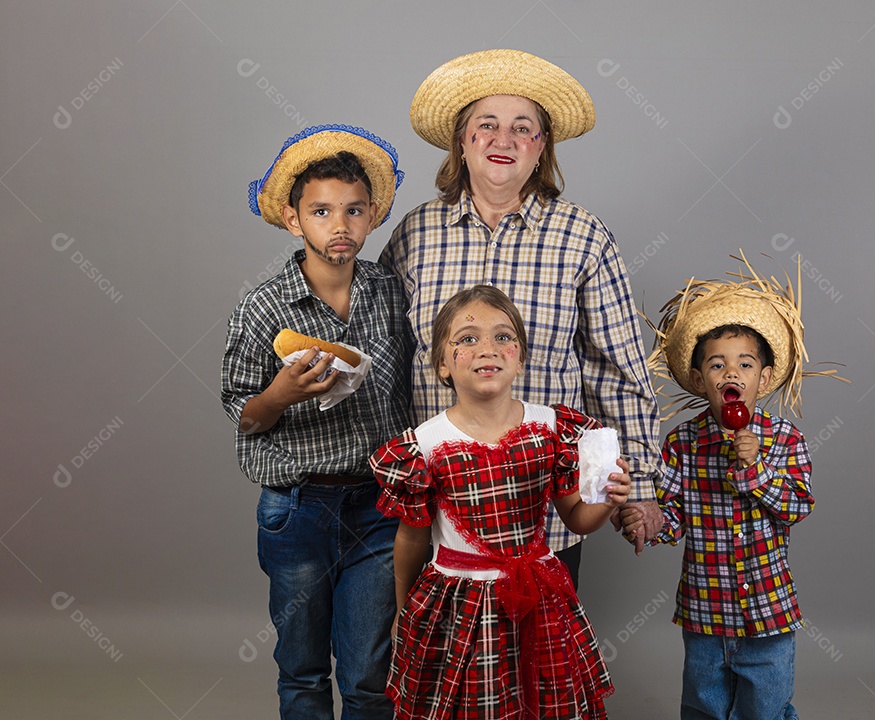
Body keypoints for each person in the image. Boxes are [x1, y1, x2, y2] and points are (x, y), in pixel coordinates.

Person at [380, 49, 663, 585]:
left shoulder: (583, 237)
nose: (502, 140)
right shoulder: (414, 235)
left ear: (541, 148)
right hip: (438, 508)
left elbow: (617, 373)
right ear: (462, 143)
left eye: (522, 128)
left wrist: (639, 484)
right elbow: (388, 357)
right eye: (486, 125)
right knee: (448, 660)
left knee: (540, 659)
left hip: (546, 514)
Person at [221, 124, 412, 720]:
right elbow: (246, 420)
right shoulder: (263, 308)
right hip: (298, 508)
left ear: (374, 215)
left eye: (354, 211)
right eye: (322, 211)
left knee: (368, 674)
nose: (341, 226)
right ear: (292, 218)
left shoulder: (391, 292)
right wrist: (280, 393)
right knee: (302, 669)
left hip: (378, 509)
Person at [369, 284, 628, 720]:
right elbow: (411, 540)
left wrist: (606, 500)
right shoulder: (424, 446)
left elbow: (577, 520)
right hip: (460, 601)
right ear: (443, 365)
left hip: (539, 598)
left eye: (503, 336)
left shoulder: (551, 429)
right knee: (468, 702)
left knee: (544, 701)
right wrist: (402, 610)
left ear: (520, 357)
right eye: (467, 339)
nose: (487, 348)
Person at [620, 255, 841, 720]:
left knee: (766, 708)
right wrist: (649, 519)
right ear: (701, 380)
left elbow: (798, 506)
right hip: (704, 610)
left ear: (764, 377)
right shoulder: (683, 441)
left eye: (745, 363)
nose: (732, 373)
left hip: (769, 612)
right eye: (717, 365)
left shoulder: (785, 439)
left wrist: (755, 465)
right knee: (703, 706)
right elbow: (673, 517)